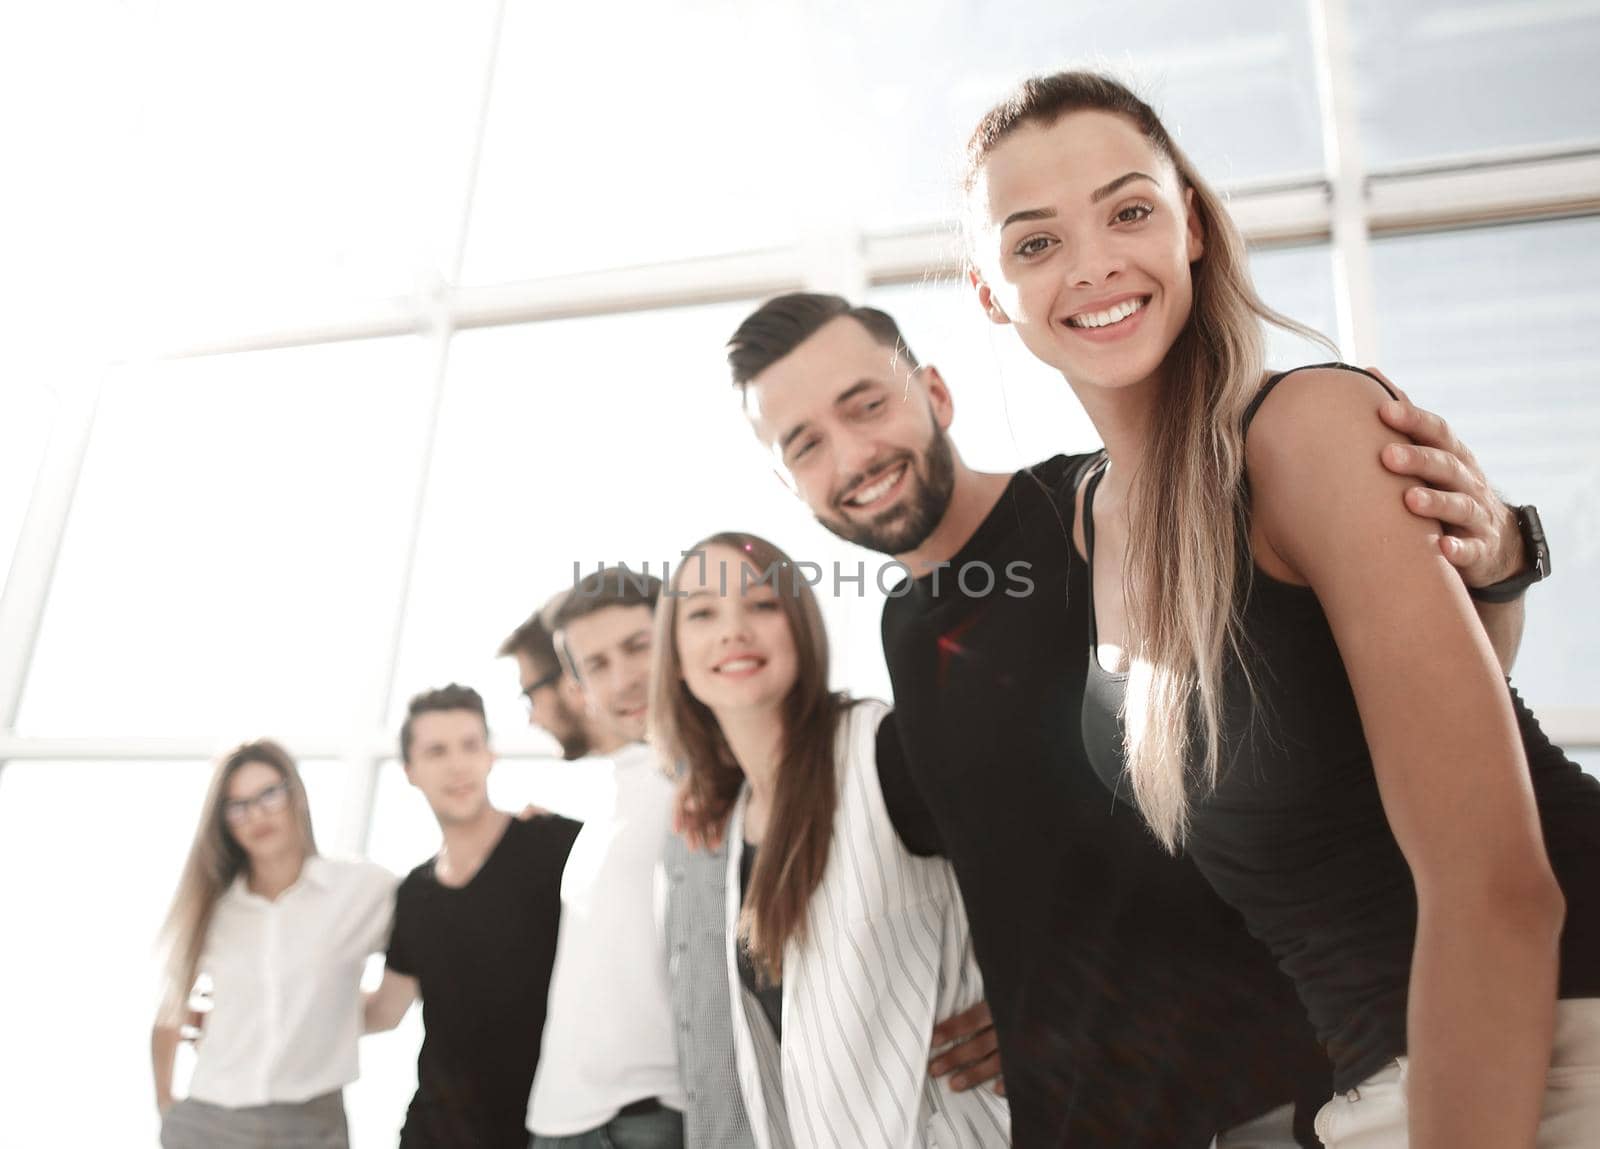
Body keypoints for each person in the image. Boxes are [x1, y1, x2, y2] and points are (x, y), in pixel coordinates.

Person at [723, 283, 1540, 1146]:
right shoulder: (905, 627)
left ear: (935, 394)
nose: (852, 456)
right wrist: (1016, 1003)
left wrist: (1506, 558)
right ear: (788, 482)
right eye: (807, 443)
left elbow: (1397, 694)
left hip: (1267, 1097)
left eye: (867, 405)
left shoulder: (1107, 513)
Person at [962, 69, 1600, 1147]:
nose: (1094, 264)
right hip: (1370, 1083)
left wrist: (1501, 554)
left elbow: (1497, 889)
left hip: (1548, 1040)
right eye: (1034, 243)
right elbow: (1330, 715)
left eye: (1129, 211)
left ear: (1194, 227)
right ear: (990, 293)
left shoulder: (1305, 431)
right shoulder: (1087, 522)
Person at [653, 531, 1010, 1149]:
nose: (732, 630)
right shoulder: (728, 822)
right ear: (676, 657)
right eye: (702, 612)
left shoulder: (884, 751)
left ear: (801, 627)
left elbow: (1065, 872)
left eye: (762, 604)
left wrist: (1031, 1015)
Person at [364, 684, 581, 1149]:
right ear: (410, 771)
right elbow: (386, 1009)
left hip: (543, 1129)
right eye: (437, 751)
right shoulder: (415, 892)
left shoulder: (555, 846)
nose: (457, 764)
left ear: (490, 756)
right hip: (434, 1133)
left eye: (470, 745)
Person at [151, 739, 395, 1149]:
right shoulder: (216, 910)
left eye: (268, 794)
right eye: (238, 805)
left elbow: (434, 933)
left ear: (295, 793)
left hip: (311, 1125)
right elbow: (168, 1016)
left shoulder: (362, 889)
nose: (256, 815)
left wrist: (334, 1011)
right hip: (209, 1120)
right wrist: (167, 1107)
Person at [525, 567, 687, 1149]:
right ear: (579, 689)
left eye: (637, 647)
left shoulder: (714, 776)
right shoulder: (616, 791)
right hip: (560, 1117)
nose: (622, 680)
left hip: (646, 1117)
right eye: (596, 665)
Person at [500, 597, 619, 760]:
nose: (533, 720)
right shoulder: (626, 772)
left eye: (530, 697)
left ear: (571, 683)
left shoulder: (652, 776)